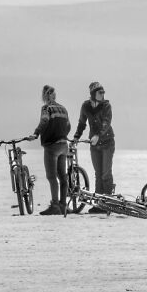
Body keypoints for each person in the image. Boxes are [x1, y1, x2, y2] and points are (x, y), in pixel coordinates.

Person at [27, 85, 71, 216]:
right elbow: (68, 126)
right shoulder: (63, 109)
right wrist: (62, 134)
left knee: (52, 177)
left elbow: (45, 120)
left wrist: (36, 134)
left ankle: (54, 205)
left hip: (52, 146)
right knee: (63, 177)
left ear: (45, 96)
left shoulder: (46, 108)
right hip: (64, 145)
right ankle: (63, 206)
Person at [73, 81, 115, 214]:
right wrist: (76, 137)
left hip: (107, 142)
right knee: (98, 174)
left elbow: (106, 122)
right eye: (100, 92)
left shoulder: (106, 105)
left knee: (106, 174)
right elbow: (81, 123)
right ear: (93, 94)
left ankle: (107, 202)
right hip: (94, 145)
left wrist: (98, 135)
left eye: (103, 92)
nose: (102, 95)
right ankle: (98, 204)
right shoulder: (86, 106)